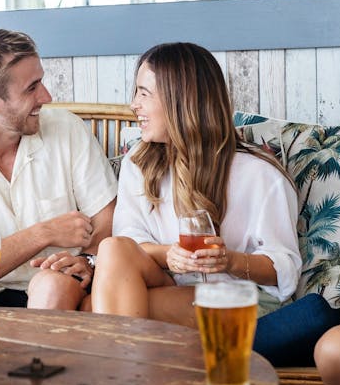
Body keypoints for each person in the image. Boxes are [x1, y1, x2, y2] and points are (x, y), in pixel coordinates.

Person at [90, 42, 302, 327]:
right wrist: (171, 255)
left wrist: (229, 260)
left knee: (92, 306)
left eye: (144, 93)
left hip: (238, 298)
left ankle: (131, 369)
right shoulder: (138, 165)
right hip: (170, 283)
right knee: (113, 248)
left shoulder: (259, 175)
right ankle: (136, 368)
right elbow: (131, 242)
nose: (133, 105)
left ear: (181, 100)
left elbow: (285, 269)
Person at [0, 28, 117, 310]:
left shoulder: (66, 129)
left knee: (51, 283)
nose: (47, 96)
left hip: (59, 284)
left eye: (41, 81)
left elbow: (109, 217)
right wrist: (43, 233)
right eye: (32, 88)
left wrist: (87, 259)